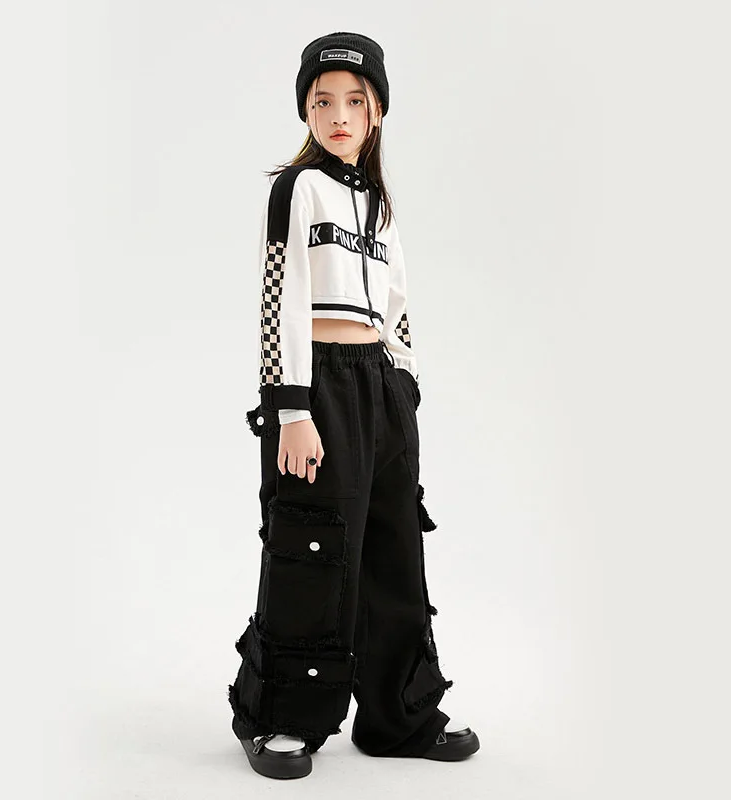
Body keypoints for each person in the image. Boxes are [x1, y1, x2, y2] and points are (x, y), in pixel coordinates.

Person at [227, 31, 480, 779]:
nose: (338, 115)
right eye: (322, 101)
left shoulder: (381, 206)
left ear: (377, 113)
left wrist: (405, 384)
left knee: (395, 548)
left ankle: (398, 717)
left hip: (380, 384)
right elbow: (279, 299)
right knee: (313, 547)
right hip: (319, 381)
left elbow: (397, 305)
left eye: (354, 102)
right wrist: (290, 409)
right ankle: (283, 720)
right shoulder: (297, 190)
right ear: (306, 111)